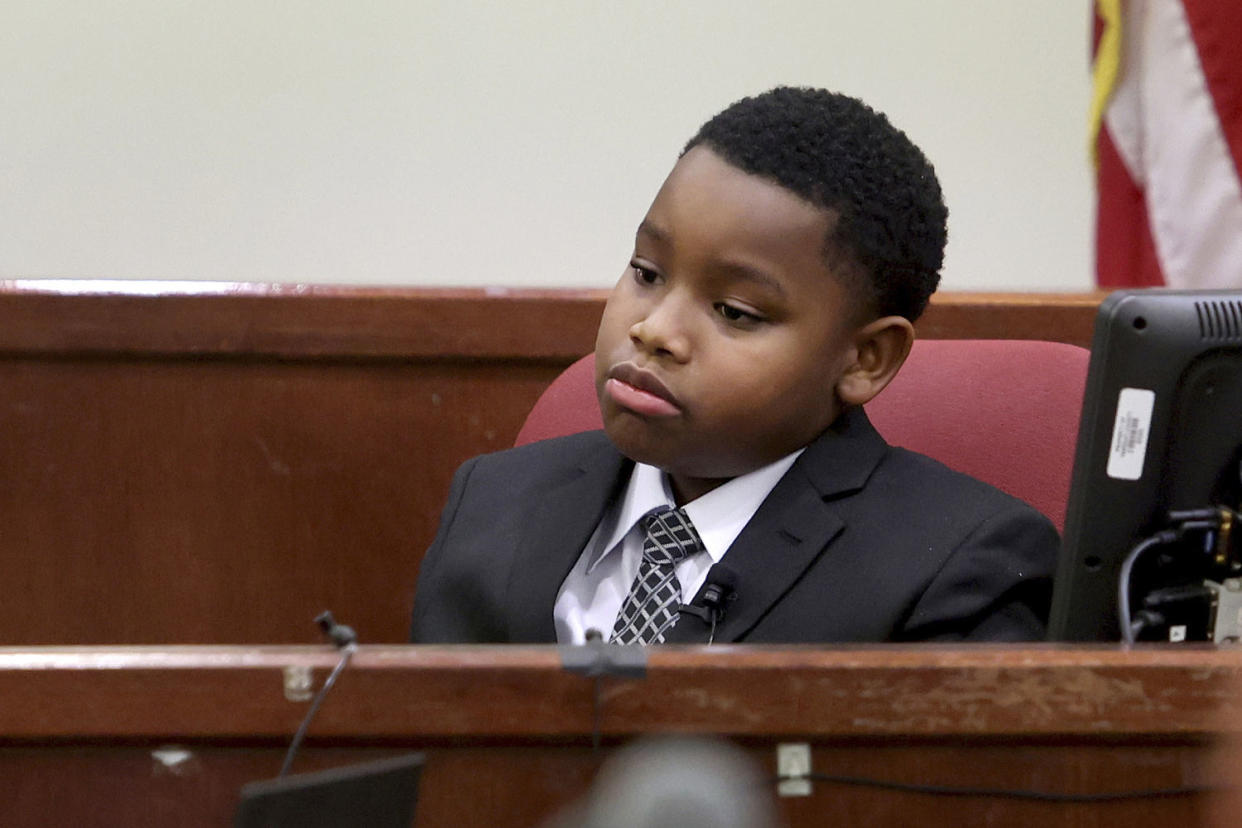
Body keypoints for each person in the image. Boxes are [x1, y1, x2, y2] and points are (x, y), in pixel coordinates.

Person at [410, 86, 1057, 645]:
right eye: (647, 272)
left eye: (734, 311)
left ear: (865, 358)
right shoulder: (493, 503)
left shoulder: (958, 568)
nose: (655, 329)